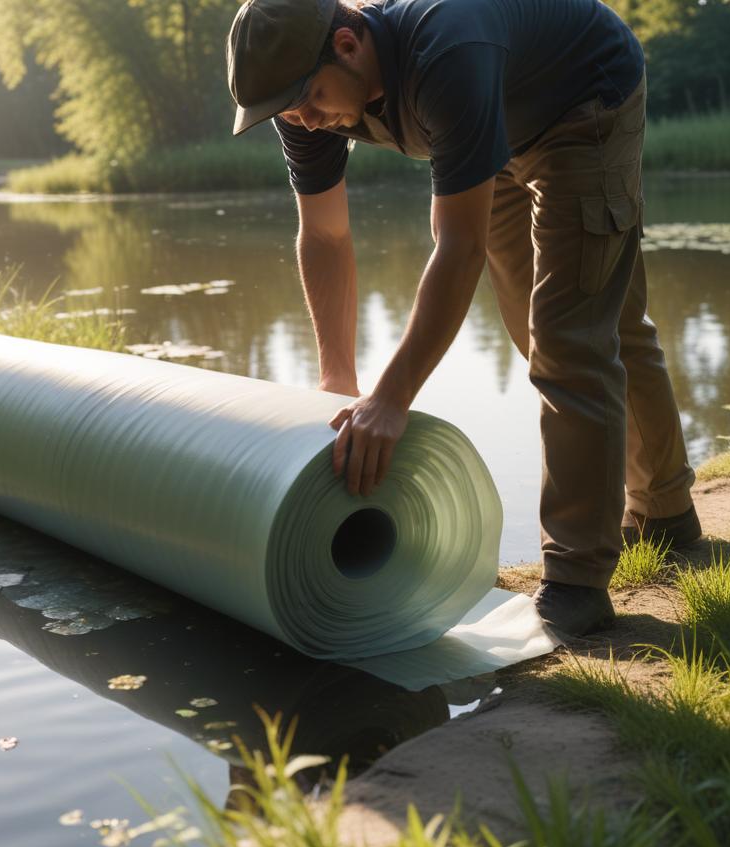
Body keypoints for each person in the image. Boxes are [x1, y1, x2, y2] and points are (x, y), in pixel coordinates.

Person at [226, 0, 701, 637]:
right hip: (497, 123)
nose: (304, 119)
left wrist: (392, 399)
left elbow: (458, 248)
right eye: (287, 111)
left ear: (347, 44)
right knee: (547, 331)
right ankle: (668, 514)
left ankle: (577, 580)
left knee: (571, 335)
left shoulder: (443, 52)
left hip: (585, 95)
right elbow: (326, 237)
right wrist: (338, 377)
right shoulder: (303, 105)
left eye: (308, 98)